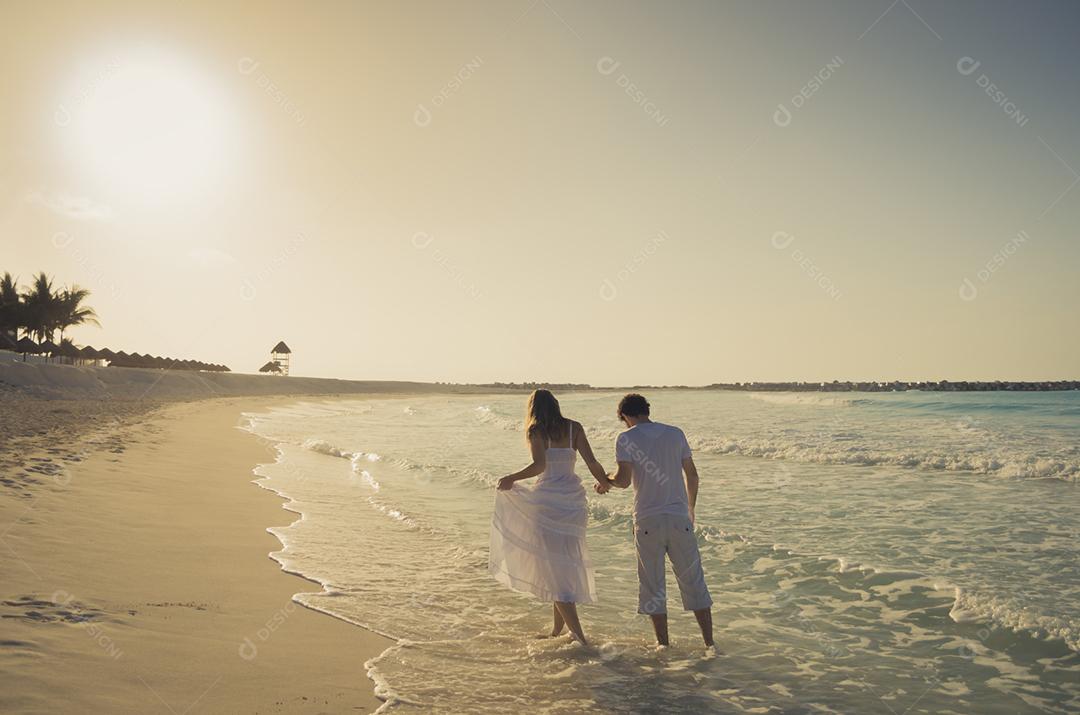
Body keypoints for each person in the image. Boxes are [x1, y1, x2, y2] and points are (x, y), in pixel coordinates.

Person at [489, 389, 610, 645]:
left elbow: (539, 467)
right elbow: (592, 462)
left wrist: (511, 478)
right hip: (573, 504)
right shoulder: (574, 428)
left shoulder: (536, 431)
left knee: (553, 569)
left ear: (532, 408)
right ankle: (558, 631)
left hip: (546, 503)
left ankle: (578, 637)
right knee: (562, 564)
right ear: (555, 405)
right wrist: (604, 482)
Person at [597, 393, 715, 649]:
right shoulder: (675, 433)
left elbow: (624, 480)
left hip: (648, 519)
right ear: (646, 410)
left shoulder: (626, 438)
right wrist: (690, 508)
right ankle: (709, 644)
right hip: (678, 517)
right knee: (693, 580)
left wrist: (606, 480)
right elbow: (692, 476)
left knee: (653, 585)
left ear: (625, 417)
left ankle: (664, 645)